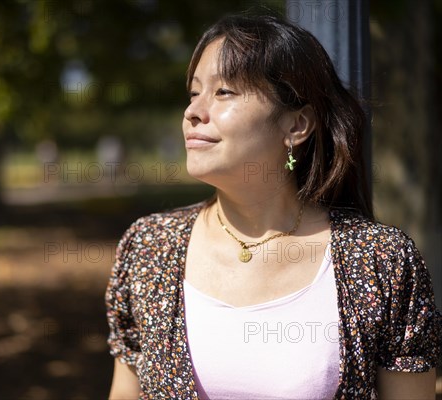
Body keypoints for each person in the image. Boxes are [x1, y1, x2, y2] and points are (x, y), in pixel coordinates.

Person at [105, 14, 441, 399]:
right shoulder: (150, 247)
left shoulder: (380, 260)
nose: (194, 111)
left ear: (296, 125)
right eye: (194, 93)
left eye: (224, 92)